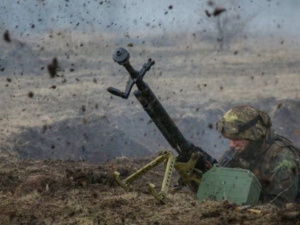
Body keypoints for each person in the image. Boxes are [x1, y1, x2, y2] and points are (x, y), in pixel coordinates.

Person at [216, 105, 300, 206]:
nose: (232, 144)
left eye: (237, 139)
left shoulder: (283, 161)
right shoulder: (243, 151)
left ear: (254, 136)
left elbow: (282, 208)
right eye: (230, 139)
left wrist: (247, 195)